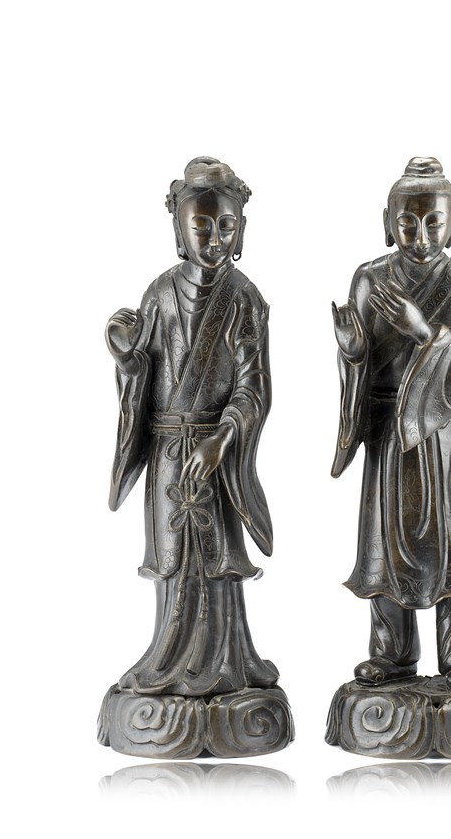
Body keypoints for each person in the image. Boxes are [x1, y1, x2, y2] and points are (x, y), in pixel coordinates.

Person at [331, 157, 451, 697]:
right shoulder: (370, 279)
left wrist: (425, 331)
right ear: (387, 222)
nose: (421, 236)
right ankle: (391, 651)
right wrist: (353, 351)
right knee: (386, 540)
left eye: (434, 222)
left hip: (439, 432)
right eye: (408, 223)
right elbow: (359, 360)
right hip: (387, 431)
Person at [105, 157, 279, 696]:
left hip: (216, 454)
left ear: (241, 229)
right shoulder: (158, 295)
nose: (215, 239)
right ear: (179, 229)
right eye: (201, 226)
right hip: (167, 452)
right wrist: (125, 358)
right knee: (172, 561)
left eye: (226, 225)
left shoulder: (244, 298)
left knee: (216, 561)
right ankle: (167, 661)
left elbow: (254, 388)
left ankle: (227, 664)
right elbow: (143, 374)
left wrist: (222, 439)